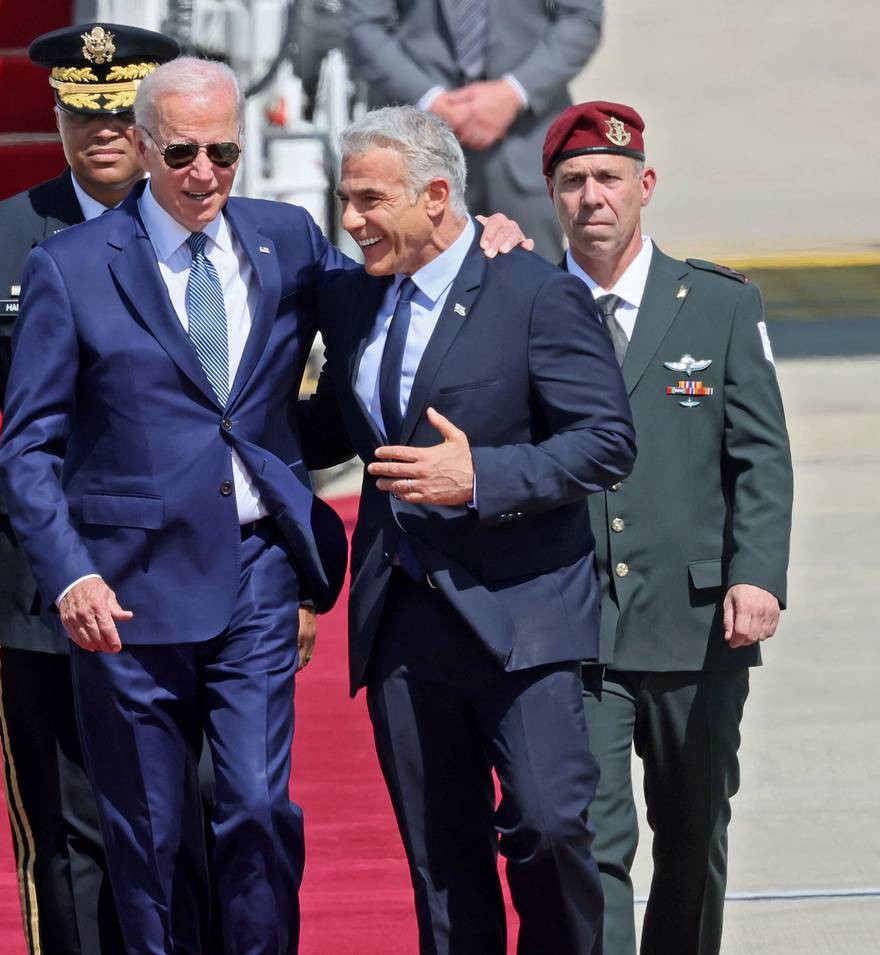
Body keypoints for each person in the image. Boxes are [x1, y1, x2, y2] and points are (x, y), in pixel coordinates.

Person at [0, 55, 360, 955]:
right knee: (151, 834)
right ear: (144, 145)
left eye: (222, 153)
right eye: (183, 152)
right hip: (128, 590)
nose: (204, 173)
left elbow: (384, 307)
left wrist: (472, 238)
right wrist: (69, 573)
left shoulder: (288, 240)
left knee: (257, 806)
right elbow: (28, 449)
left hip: (256, 573)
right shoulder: (71, 267)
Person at [297, 105, 635, 955]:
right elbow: (334, 426)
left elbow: (605, 440)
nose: (351, 221)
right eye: (346, 199)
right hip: (403, 617)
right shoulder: (349, 296)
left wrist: (480, 475)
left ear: (437, 195)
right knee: (441, 862)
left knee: (549, 826)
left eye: (371, 200)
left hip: (522, 613)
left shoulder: (535, 293)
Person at [0, 24, 199, 955]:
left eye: (122, 114)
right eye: (84, 114)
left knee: (193, 804)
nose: (104, 132)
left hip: (181, 566)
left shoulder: (203, 227)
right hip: (43, 576)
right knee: (66, 824)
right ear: (56, 118)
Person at [543, 101, 793, 955]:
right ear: (552, 195)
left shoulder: (718, 305)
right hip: (575, 622)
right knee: (589, 838)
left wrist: (756, 573)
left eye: (609, 178)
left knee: (693, 829)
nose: (592, 197)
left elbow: (761, 456)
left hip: (698, 622)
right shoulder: (527, 304)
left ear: (644, 185)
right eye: (573, 181)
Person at [342, 0, 603, 261]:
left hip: (525, 142)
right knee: (411, 279)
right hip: (413, 149)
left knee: (535, 274)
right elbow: (364, 26)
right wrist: (430, 102)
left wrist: (513, 93)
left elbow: (581, 18)